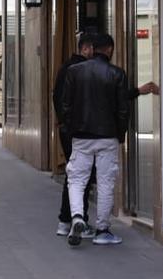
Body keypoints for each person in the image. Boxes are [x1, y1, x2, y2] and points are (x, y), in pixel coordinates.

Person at [58, 33, 130, 247]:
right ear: (108, 49)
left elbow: (65, 106)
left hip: (81, 137)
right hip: (108, 137)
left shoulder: (74, 72)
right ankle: (102, 229)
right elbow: (123, 110)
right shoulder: (117, 74)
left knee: (76, 179)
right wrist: (120, 134)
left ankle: (78, 216)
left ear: (92, 48)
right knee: (106, 182)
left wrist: (71, 130)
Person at [52, 34, 97, 238]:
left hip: (66, 129)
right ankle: (77, 220)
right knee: (81, 176)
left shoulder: (65, 68)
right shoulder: (82, 71)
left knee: (75, 175)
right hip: (79, 131)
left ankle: (65, 220)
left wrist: (63, 121)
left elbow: (56, 96)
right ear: (86, 48)